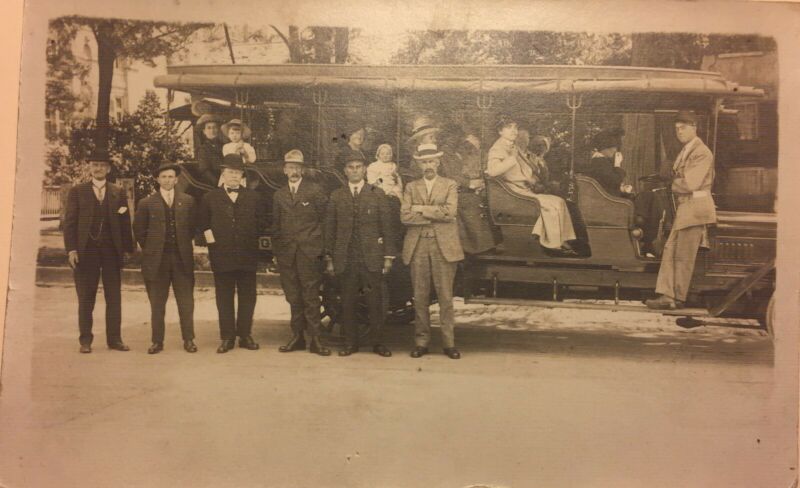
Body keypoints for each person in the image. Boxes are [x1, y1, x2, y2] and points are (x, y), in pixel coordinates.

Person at [325, 150, 397, 357]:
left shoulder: (377, 194)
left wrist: (388, 257)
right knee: (348, 302)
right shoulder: (337, 196)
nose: (355, 171)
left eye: (358, 167)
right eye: (351, 167)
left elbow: (387, 227)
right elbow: (330, 229)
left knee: (375, 302)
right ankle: (351, 343)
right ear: (345, 171)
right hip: (346, 259)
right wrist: (329, 258)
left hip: (371, 258)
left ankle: (378, 343)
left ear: (365, 170)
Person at [63, 149, 134, 353]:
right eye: (95, 165)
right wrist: (72, 250)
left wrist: (127, 249)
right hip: (86, 251)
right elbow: (70, 223)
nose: (98, 168)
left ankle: (115, 339)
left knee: (114, 297)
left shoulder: (117, 192)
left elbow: (124, 222)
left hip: (111, 251)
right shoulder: (78, 191)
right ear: (89, 167)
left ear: (108, 169)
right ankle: (85, 340)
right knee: (86, 297)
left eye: (102, 165)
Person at [646, 111, 717, 310]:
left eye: (683, 128)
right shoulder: (688, 150)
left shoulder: (701, 152)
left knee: (682, 256)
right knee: (672, 251)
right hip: (687, 208)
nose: (679, 132)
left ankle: (674, 297)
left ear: (694, 127)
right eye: (676, 129)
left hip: (695, 209)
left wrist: (670, 183)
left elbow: (690, 184)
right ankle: (669, 296)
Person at [401, 143, 464, 359]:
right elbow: (405, 216)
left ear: (438, 163)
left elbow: (450, 212)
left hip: (443, 246)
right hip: (418, 246)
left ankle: (449, 343)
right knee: (420, 297)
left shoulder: (450, 184)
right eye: (424, 162)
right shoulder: (411, 187)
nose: (428, 165)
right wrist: (434, 213)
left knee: (445, 296)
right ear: (419, 165)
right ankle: (421, 342)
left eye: (431, 161)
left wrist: (420, 209)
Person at [197, 154, 265, 353]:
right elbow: (203, 225)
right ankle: (227, 337)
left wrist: (249, 240)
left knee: (248, 297)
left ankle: (245, 335)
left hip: (247, 256)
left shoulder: (254, 197)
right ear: (223, 174)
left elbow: (261, 224)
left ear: (242, 175)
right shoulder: (210, 198)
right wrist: (214, 246)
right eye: (230, 172)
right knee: (224, 297)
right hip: (222, 256)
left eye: (237, 172)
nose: (234, 176)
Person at [486, 115, 577, 255]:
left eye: (515, 127)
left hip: (523, 189)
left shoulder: (514, 146)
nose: (514, 131)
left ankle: (562, 239)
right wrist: (512, 158)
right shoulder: (497, 148)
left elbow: (526, 167)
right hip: (514, 192)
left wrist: (533, 176)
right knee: (550, 205)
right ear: (500, 131)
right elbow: (492, 171)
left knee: (559, 201)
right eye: (509, 128)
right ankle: (552, 244)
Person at [271, 149, 332, 356]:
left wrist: (321, 248)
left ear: (303, 170)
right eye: (290, 167)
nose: (294, 171)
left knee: (311, 296)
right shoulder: (279, 195)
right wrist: (277, 253)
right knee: (293, 296)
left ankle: (316, 340)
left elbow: (326, 220)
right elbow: (276, 227)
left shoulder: (315, 191)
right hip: (287, 254)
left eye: (297, 167)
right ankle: (297, 337)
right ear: (284, 170)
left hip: (309, 252)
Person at [133, 162, 197, 354]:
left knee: (186, 302)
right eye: (163, 177)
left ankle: (189, 339)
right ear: (157, 179)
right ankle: (157, 341)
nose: (167, 180)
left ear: (176, 179)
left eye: (171, 177)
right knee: (157, 303)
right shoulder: (146, 203)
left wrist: (182, 245)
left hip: (181, 259)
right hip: (157, 261)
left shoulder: (187, 201)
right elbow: (139, 231)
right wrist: (153, 249)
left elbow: (192, 227)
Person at [439, 129, 498, 254]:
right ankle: (477, 247)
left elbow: (476, 166)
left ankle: (486, 243)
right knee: (470, 203)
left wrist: (479, 181)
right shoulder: (445, 154)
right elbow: (451, 175)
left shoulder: (462, 151)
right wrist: (470, 183)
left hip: (469, 188)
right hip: (455, 191)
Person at [584, 127, 629, 197]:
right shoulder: (600, 162)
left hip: (605, 196)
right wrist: (617, 164)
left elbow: (608, 184)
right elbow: (615, 181)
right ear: (604, 148)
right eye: (613, 147)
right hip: (606, 199)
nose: (615, 150)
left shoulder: (601, 161)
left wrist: (622, 189)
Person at [221, 119, 256, 187]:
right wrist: (237, 149)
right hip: (230, 170)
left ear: (242, 134)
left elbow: (252, 159)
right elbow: (228, 159)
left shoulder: (247, 146)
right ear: (228, 135)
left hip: (243, 171)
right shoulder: (226, 147)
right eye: (232, 133)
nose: (234, 135)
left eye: (237, 133)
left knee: (242, 186)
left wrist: (245, 153)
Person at [195, 114, 225, 186]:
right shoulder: (203, 149)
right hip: (210, 182)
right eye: (209, 128)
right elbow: (204, 170)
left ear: (218, 129)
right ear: (204, 131)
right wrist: (218, 183)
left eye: (214, 127)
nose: (212, 130)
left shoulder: (224, 146)